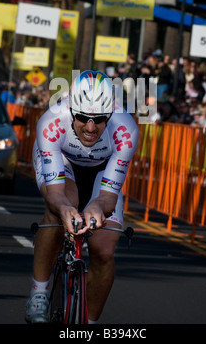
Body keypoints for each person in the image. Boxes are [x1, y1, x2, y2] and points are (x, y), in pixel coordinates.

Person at [25, 70, 139, 324]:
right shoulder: (51, 122)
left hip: (103, 168)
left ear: (110, 114)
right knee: (61, 209)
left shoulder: (126, 130)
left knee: (104, 250)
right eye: (82, 117)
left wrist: (98, 205)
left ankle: (89, 325)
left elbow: (108, 197)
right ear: (71, 108)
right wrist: (65, 209)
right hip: (63, 160)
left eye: (99, 119)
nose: (90, 127)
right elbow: (55, 194)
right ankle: (39, 293)